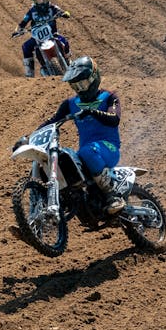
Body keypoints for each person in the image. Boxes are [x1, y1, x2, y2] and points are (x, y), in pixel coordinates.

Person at [39, 56, 124, 215]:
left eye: (82, 84)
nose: (80, 89)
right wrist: (29, 138)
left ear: (93, 78)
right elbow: (52, 121)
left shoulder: (109, 97)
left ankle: (112, 195)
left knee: (86, 151)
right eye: (75, 86)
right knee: (66, 161)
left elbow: (114, 120)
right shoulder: (70, 104)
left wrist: (92, 111)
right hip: (87, 151)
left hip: (109, 148)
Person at [11, 0, 72, 77]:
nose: (42, 2)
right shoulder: (32, 11)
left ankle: (68, 60)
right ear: (34, 0)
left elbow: (60, 11)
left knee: (64, 41)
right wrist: (18, 30)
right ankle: (29, 74)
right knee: (25, 47)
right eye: (39, 0)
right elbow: (24, 21)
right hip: (37, 38)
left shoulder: (52, 8)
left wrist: (64, 13)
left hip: (52, 34)